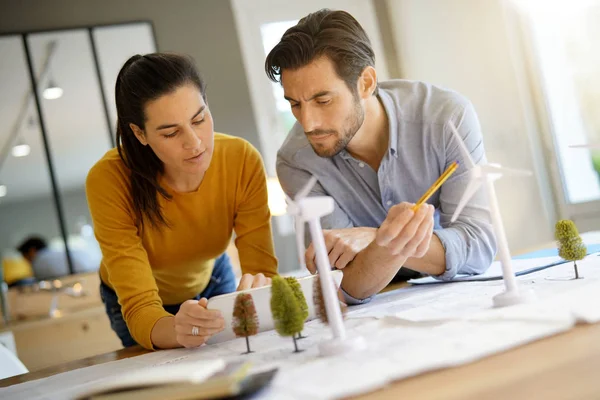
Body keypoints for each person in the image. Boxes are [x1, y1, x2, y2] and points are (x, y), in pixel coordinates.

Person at [267, 9, 497, 304]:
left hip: (455, 295)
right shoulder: (296, 161)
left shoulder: (446, 118)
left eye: (323, 100)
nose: (308, 123)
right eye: (295, 104)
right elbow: (342, 282)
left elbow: (478, 246)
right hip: (375, 312)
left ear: (366, 82)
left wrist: (375, 241)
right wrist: (387, 242)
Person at [86, 53, 277, 350]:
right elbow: (140, 308)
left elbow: (262, 273)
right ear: (140, 134)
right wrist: (176, 328)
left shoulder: (242, 159)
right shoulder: (109, 179)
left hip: (211, 280)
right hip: (136, 305)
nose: (195, 142)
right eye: (171, 132)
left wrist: (260, 291)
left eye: (199, 119)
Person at [17, 236, 97, 280]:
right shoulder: (53, 253)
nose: (25, 260)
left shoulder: (38, 262)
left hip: (84, 278)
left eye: (24, 256)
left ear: (32, 251)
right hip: (93, 273)